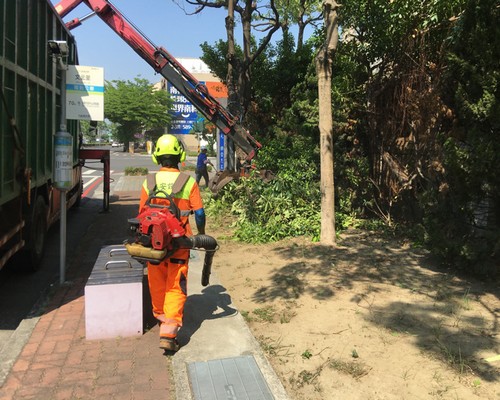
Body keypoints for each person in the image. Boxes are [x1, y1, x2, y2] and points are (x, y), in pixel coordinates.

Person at [138, 134, 206, 352]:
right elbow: (200, 213)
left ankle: (161, 319)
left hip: (153, 244)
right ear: (180, 155)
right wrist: (201, 234)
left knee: (157, 281)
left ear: (156, 156)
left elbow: (141, 214)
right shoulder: (188, 182)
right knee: (176, 284)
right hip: (180, 243)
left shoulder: (148, 182)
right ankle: (169, 332)